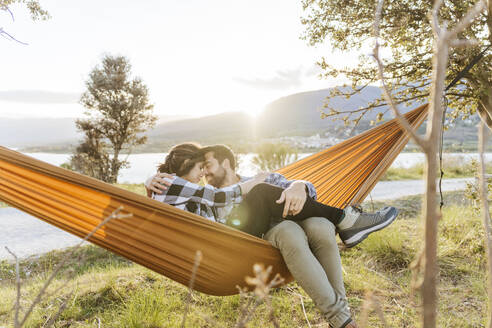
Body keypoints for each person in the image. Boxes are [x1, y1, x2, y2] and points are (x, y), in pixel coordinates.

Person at [146, 144, 398, 328]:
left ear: (226, 162)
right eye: (201, 168)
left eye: (207, 166)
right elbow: (186, 196)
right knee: (278, 214)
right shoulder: (202, 193)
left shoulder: (223, 186)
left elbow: (305, 189)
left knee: (320, 224)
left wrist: (298, 185)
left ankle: (342, 318)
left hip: (283, 224)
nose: (204, 174)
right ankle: (347, 221)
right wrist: (151, 180)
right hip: (239, 244)